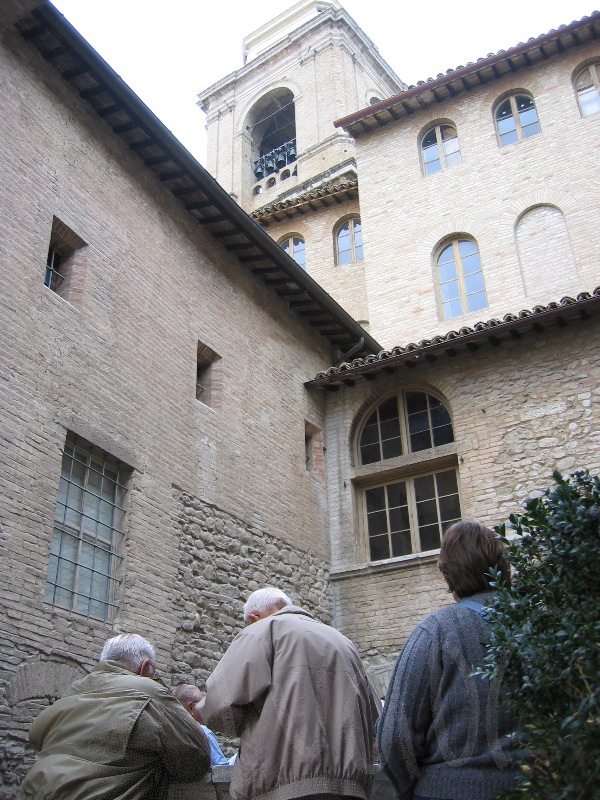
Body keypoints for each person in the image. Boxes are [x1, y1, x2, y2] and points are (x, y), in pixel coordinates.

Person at [376, 521, 527, 800]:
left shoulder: (435, 631)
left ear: (448, 572)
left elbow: (395, 735)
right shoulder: (543, 624)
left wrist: (416, 788)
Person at [201, 586, 381, 800]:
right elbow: (376, 720)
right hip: (349, 788)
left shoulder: (261, 630)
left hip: (282, 784)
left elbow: (218, 704)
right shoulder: (344, 643)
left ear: (253, 617)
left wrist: (244, 723)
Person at [18, 633, 211, 800]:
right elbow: (196, 759)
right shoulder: (149, 691)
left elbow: (36, 738)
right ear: (145, 668)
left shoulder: (74, 690)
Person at [173, 683, 232, 766]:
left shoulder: (167, 731)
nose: (205, 710)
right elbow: (222, 771)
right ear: (190, 707)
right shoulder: (203, 733)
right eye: (202, 704)